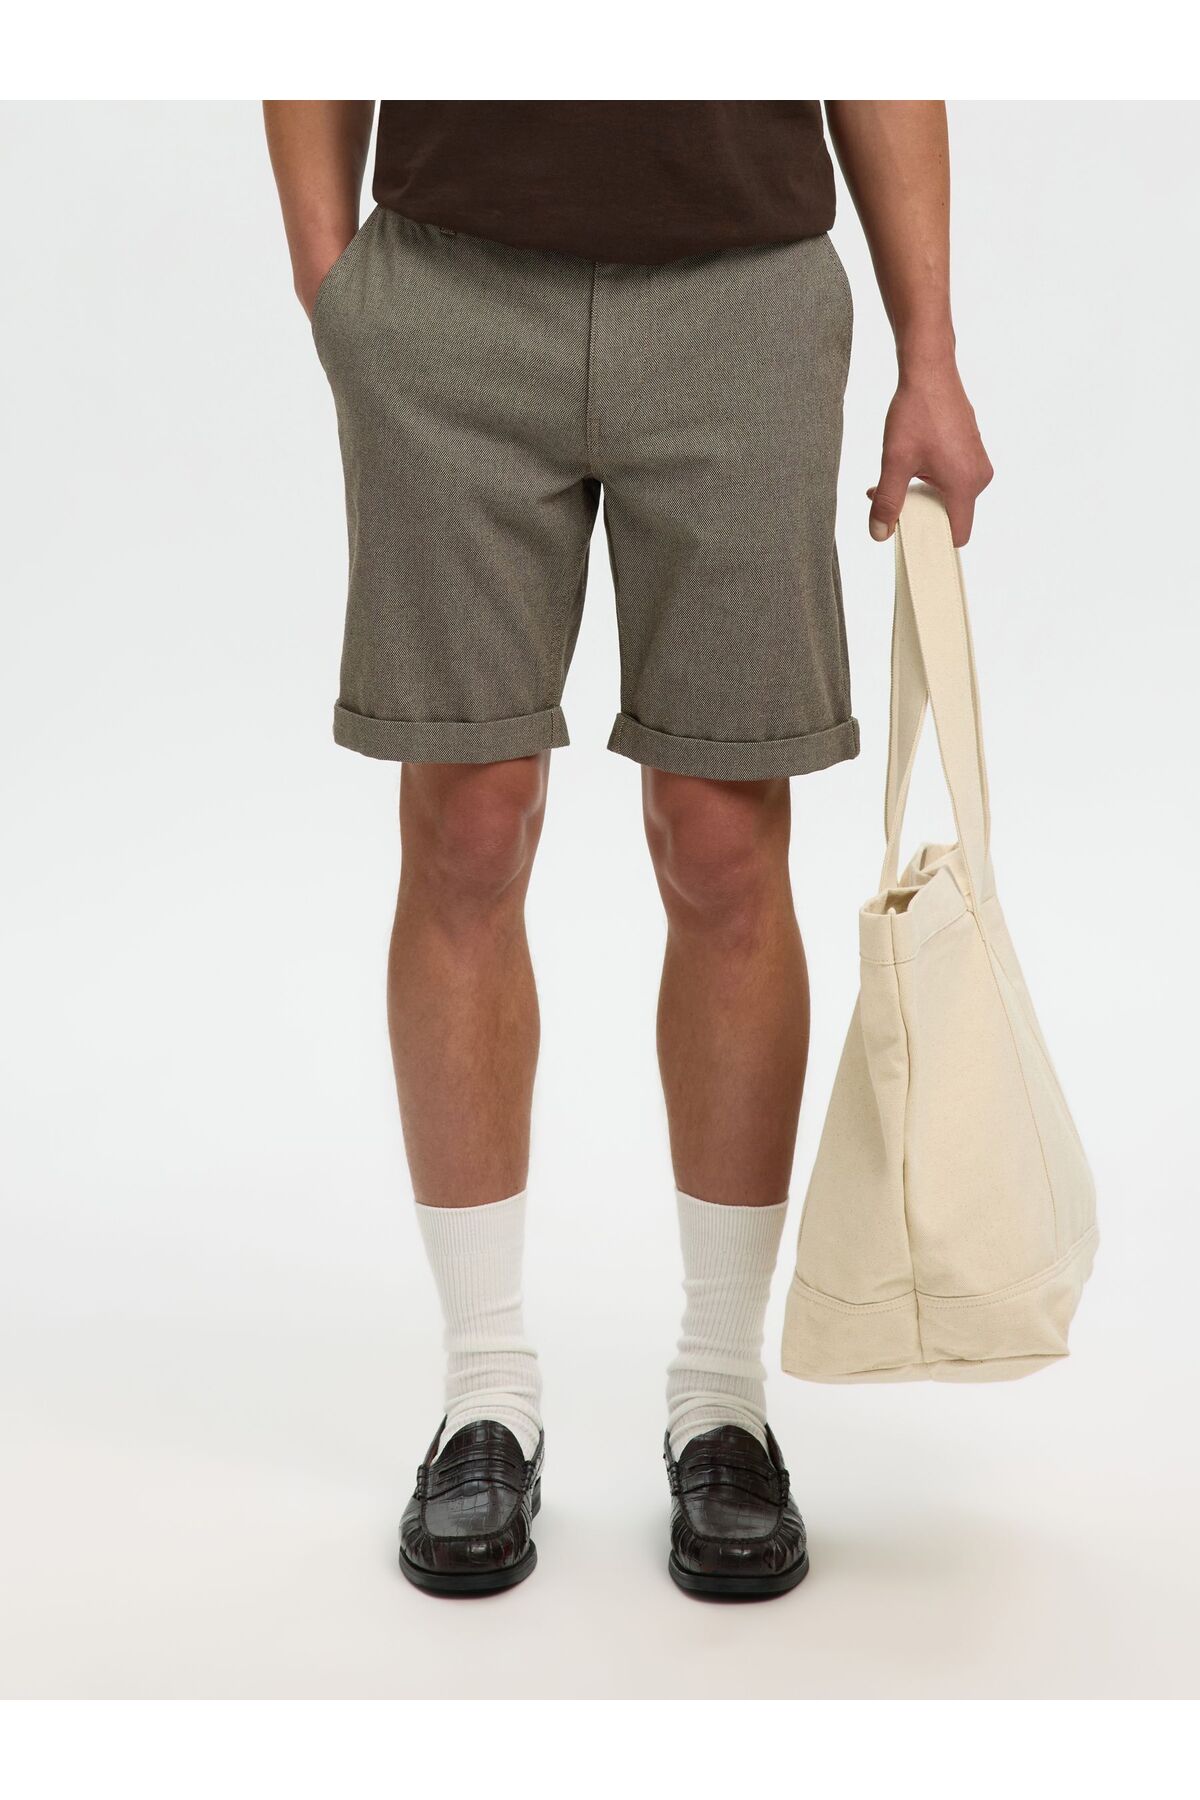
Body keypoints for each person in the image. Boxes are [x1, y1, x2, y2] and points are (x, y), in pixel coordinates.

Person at [264, 100, 992, 1600]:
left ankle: (723, 1398)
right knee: (468, 821)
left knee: (722, 836)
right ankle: (483, 1393)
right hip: (450, 293)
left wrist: (930, 348)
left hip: (743, 299)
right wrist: (329, 274)